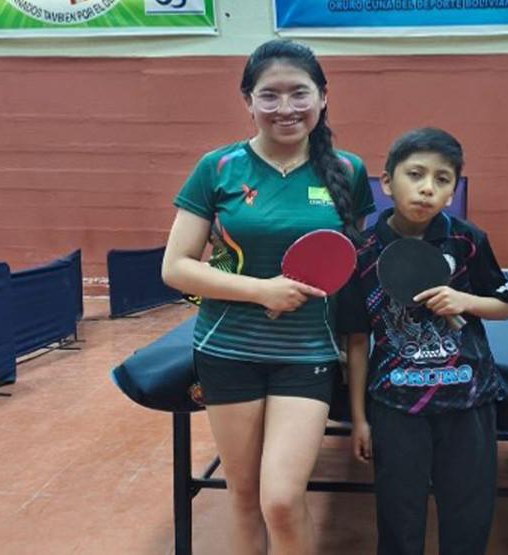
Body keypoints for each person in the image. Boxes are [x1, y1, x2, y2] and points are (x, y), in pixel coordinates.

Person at [161, 39, 376, 555]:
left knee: (280, 499)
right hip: (228, 349)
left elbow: (349, 271)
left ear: (323, 96)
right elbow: (175, 267)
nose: (285, 108)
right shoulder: (217, 168)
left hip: (307, 355)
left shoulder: (347, 171)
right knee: (243, 497)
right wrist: (261, 291)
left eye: (299, 93)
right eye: (269, 95)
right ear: (248, 101)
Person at [338, 128, 508, 555]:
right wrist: (359, 418)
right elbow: (358, 342)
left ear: (453, 191)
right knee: (399, 520)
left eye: (442, 180)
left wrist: (465, 299)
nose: (426, 188)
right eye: (415, 174)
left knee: (469, 516)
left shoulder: (467, 240)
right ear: (387, 182)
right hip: (396, 403)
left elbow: (505, 306)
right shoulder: (362, 252)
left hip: (467, 398)